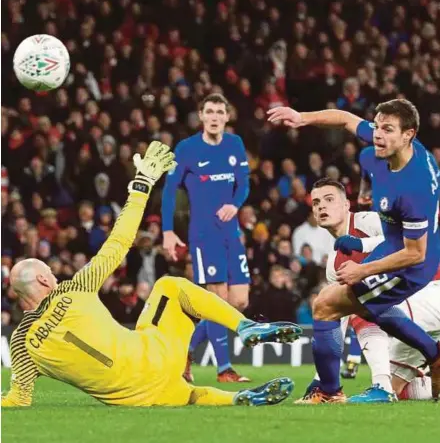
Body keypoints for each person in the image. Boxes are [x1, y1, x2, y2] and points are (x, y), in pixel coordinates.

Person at [1, 142, 301, 408]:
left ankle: (236, 398)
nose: (54, 275)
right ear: (43, 281)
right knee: (169, 285)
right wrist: (142, 184)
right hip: (155, 358)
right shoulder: (72, 289)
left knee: (187, 393)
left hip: (136, 398)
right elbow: (119, 241)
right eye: (49, 272)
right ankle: (244, 326)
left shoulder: (20, 342)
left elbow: (18, 400)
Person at [268, 99, 440, 402]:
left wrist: (363, 268)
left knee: (326, 305)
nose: (378, 135)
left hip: (416, 265)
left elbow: (416, 253)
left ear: (408, 135)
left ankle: (331, 390)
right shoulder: (380, 154)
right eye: (377, 126)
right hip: (394, 244)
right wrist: (301, 116)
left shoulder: (415, 187)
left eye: (388, 130)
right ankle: (432, 358)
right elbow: (345, 118)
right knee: (368, 308)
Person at [298, 178, 440, 403]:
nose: (321, 206)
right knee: (402, 390)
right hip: (411, 316)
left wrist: (361, 246)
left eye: (329, 199)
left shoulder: (368, 220)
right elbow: (335, 318)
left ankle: (381, 387)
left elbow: (405, 242)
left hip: (431, 291)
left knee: (362, 299)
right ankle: (388, 385)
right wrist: (322, 376)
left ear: (346, 205)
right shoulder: (334, 264)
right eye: (316, 203)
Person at [162, 93, 251, 383]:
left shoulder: (235, 144)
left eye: (219, 112)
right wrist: (167, 230)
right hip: (204, 235)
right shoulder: (187, 149)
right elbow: (168, 190)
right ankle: (224, 369)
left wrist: (234, 205)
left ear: (227, 117)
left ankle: (186, 348)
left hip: (231, 232)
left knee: (239, 301)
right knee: (218, 300)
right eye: (209, 112)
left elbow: (244, 184)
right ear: (201, 116)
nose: (214, 117)